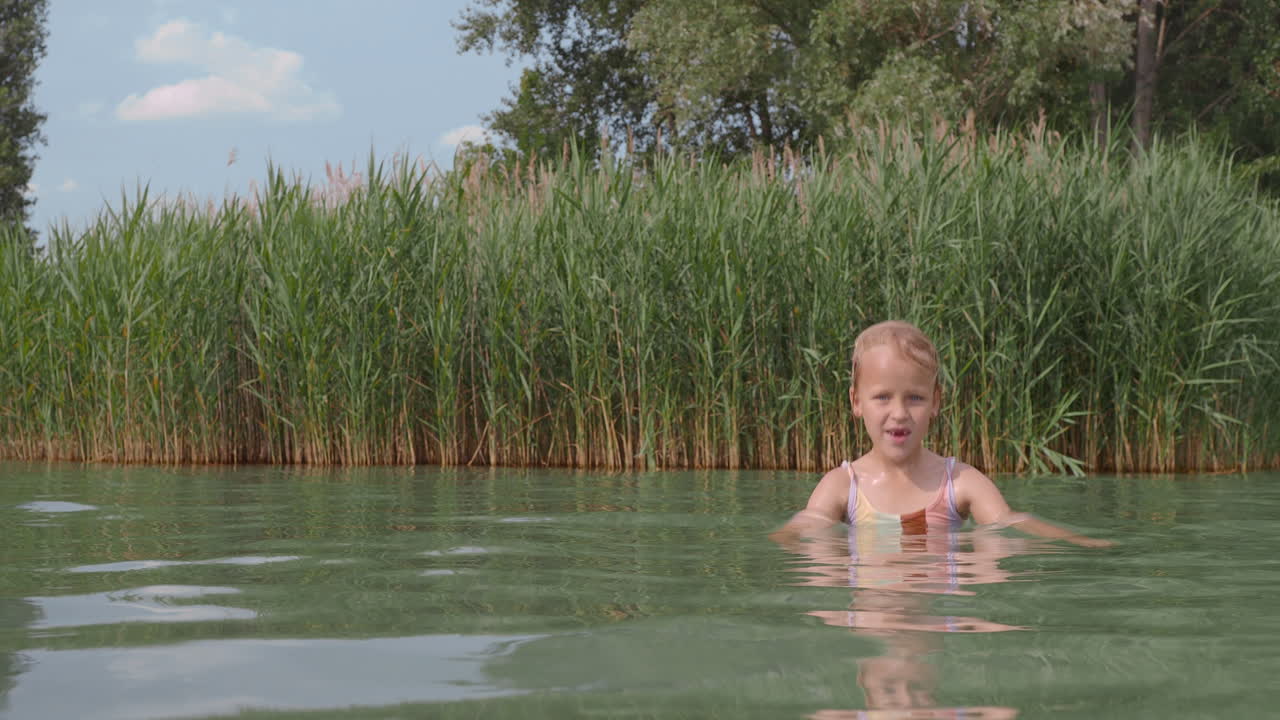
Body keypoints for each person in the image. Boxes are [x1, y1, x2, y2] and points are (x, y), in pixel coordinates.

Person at [772, 320, 1110, 548]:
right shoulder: (844, 485)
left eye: (915, 398)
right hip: (869, 615)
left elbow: (1008, 522)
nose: (900, 413)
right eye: (882, 397)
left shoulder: (958, 482)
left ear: (936, 402)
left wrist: (1079, 544)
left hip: (939, 612)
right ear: (856, 401)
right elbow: (811, 526)